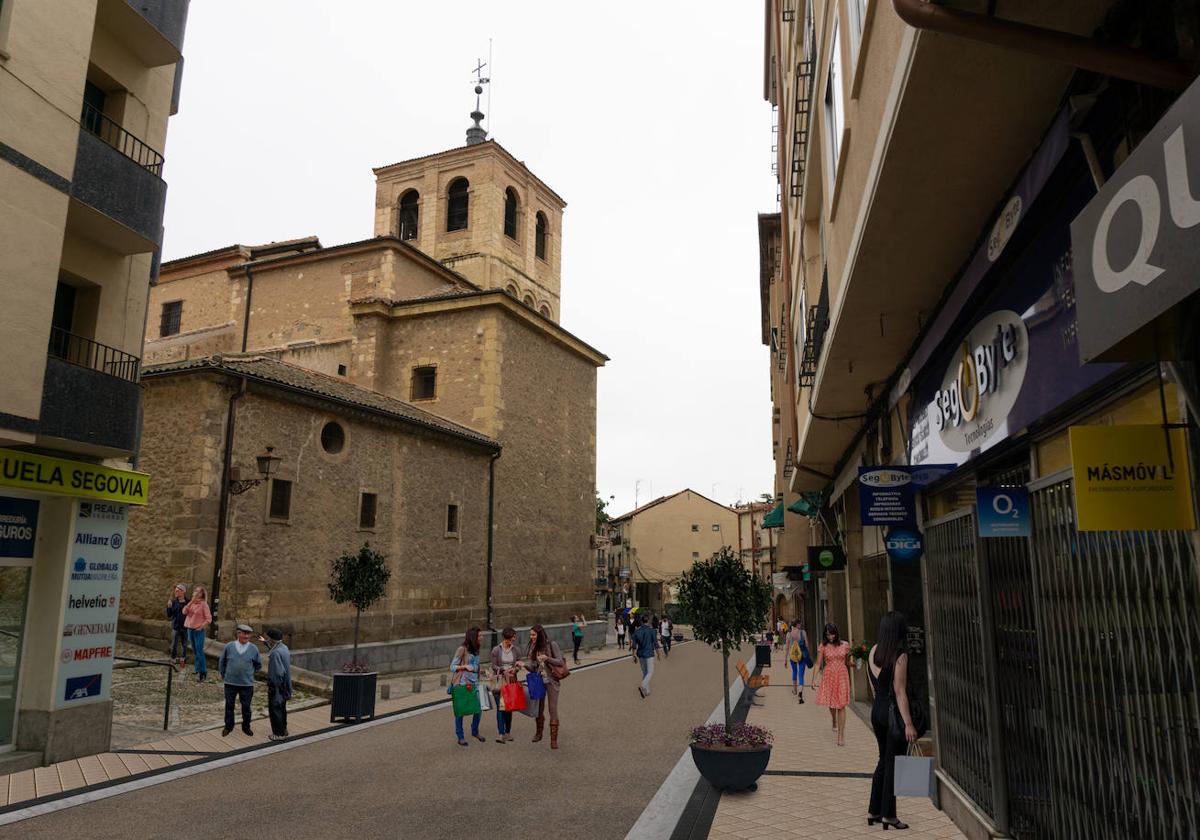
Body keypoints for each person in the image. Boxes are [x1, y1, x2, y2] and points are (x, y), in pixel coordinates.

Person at [867, 611, 919, 830]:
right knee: (893, 763)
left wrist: (879, 706)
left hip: (877, 711)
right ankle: (889, 815)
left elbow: (873, 686)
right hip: (892, 713)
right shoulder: (900, 655)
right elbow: (900, 691)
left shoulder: (873, 651)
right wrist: (908, 723)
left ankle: (874, 810)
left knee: (883, 760)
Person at [526, 623, 566, 748]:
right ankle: (539, 733)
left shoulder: (551, 644)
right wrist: (523, 665)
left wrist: (547, 658)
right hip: (539, 682)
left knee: (552, 710)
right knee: (539, 709)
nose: (531, 637)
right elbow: (533, 667)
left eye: (533, 634)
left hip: (551, 681)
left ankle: (553, 740)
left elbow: (560, 661)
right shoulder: (533, 647)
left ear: (540, 634)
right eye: (531, 635)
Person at [218, 623, 262, 737]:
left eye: (248, 635)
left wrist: (250, 674)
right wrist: (223, 673)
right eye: (244, 634)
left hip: (247, 684)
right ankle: (228, 726)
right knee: (229, 705)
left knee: (246, 707)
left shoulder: (254, 648)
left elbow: (258, 664)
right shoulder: (229, 646)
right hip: (230, 682)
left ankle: (246, 727)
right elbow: (222, 661)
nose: (246, 637)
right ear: (238, 634)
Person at [814, 622, 851, 746]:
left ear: (836, 633)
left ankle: (841, 736)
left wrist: (856, 663)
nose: (830, 637)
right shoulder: (822, 646)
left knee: (841, 705)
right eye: (828, 635)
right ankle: (834, 720)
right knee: (831, 703)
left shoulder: (845, 645)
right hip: (829, 675)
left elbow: (847, 662)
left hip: (842, 676)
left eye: (832, 634)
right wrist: (813, 679)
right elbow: (818, 664)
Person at [450, 626, 484, 747]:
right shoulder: (462, 649)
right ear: (473, 637)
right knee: (460, 712)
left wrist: (484, 673)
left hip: (474, 683)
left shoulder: (476, 650)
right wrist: (464, 667)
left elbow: (476, 667)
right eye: (479, 636)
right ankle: (460, 736)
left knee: (478, 709)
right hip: (462, 684)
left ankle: (475, 731)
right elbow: (452, 667)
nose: (482, 638)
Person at [490, 626, 523, 743]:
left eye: (514, 637)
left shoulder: (516, 650)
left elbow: (518, 664)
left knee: (508, 708)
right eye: (512, 638)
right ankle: (501, 734)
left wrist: (516, 669)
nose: (513, 639)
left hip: (511, 681)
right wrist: (503, 670)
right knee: (500, 708)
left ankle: (508, 732)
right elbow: (493, 666)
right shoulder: (496, 650)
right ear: (506, 638)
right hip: (500, 681)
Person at [262, 627, 292, 741]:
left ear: (272, 639)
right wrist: (265, 643)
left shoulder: (275, 654)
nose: (267, 639)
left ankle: (278, 734)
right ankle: (284, 729)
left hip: (277, 686)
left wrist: (273, 686)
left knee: (275, 709)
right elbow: (274, 649)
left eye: (268, 638)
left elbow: (277, 673)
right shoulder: (284, 648)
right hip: (285, 684)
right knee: (282, 708)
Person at [182, 585, 211, 682]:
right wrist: (191, 602)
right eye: (196, 591)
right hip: (190, 629)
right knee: (194, 651)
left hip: (199, 631)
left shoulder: (204, 604)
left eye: (199, 591)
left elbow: (209, 619)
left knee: (199, 651)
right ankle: (198, 668)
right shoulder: (192, 603)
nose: (197, 593)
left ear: (202, 594)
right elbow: (184, 612)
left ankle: (203, 672)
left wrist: (201, 627)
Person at [633, 614, 657, 698]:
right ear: (648, 621)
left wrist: (633, 655)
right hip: (649, 653)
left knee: (644, 672)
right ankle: (643, 686)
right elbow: (655, 643)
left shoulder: (637, 631)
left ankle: (647, 691)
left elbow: (634, 645)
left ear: (642, 621)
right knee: (650, 671)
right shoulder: (651, 631)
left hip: (640, 654)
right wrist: (658, 653)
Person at [787, 620, 811, 702]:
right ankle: (800, 693)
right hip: (802, 656)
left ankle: (794, 690)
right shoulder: (803, 632)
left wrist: (785, 659)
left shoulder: (789, 634)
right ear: (797, 624)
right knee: (801, 675)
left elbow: (787, 648)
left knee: (794, 672)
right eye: (800, 623)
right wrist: (808, 654)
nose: (801, 625)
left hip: (793, 656)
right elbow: (807, 644)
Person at [165, 584, 188, 668]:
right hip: (176, 627)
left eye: (177, 591)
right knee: (174, 644)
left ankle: (182, 660)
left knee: (184, 644)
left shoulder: (188, 602)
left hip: (185, 627)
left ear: (183, 592)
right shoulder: (173, 602)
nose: (176, 592)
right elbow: (169, 615)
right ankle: (173, 659)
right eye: (175, 591)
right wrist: (169, 607)